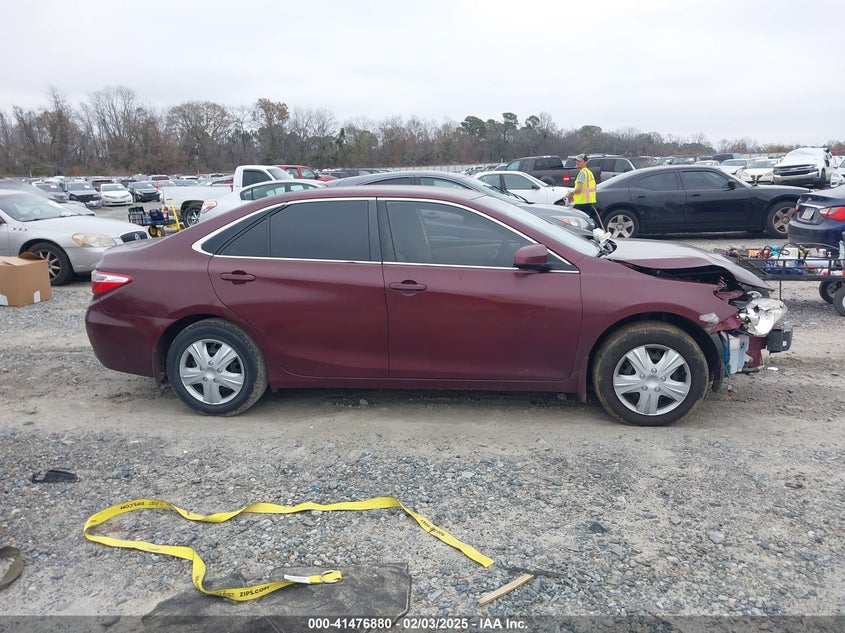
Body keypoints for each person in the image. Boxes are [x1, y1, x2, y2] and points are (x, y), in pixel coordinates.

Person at [564, 154, 597, 218]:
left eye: (579, 161)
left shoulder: (582, 173)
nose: (577, 162)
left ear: (585, 162)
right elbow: (595, 187)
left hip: (581, 203)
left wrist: (570, 193)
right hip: (589, 202)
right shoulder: (589, 172)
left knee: (577, 221)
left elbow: (578, 190)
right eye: (576, 161)